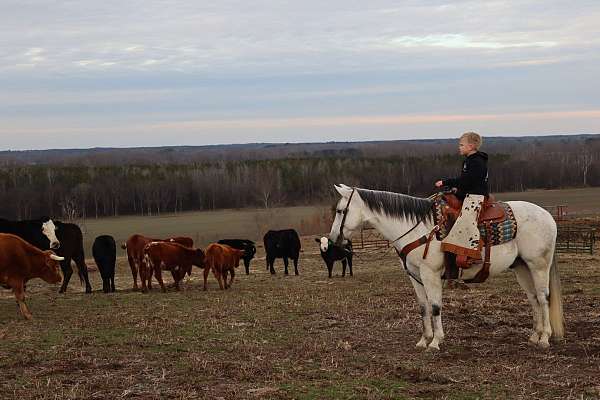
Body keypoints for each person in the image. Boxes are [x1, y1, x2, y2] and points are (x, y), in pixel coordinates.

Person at [435, 132, 489, 273]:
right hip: (469, 194)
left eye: (461, 145)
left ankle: (474, 253)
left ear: (471, 146)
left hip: (476, 197)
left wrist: (446, 182)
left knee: (466, 221)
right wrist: (457, 190)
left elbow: (467, 181)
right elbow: (466, 182)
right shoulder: (469, 160)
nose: (459, 147)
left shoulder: (476, 162)